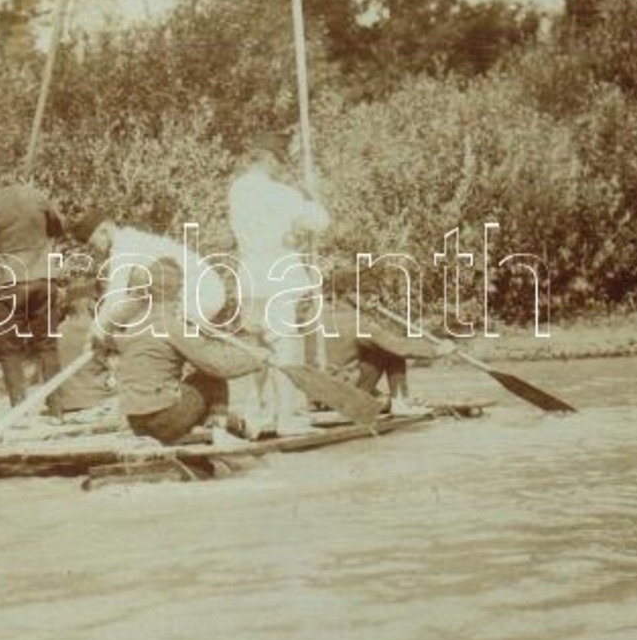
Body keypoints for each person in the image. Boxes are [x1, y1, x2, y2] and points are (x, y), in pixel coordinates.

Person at [226, 128, 330, 431]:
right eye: (279, 161)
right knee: (283, 346)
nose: (282, 167)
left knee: (258, 347)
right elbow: (320, 222)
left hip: (250, 276)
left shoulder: (237, 190)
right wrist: (311, 194)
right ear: (270, 159)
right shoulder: (283, 194)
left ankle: (256, 412)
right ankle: (285, 417)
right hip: (279, 277)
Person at [103, 258, 263, 445]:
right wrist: (257, 359)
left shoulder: (134, 324)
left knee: (193, 378)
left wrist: (136, 301)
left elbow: (105, 335)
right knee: (210, 378)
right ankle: (220, 425)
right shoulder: (172, 325)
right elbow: (219, 365)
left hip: (136, 423)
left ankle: (217, 423)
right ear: (178, 292)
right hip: (163, 421)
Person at [0, 165, 68, 408]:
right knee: (47, 345)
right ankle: (57, 409)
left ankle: (20, 411)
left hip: (8, 282)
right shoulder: (36, 195)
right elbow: (59, 228)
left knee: (9, 349)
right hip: (43, 279)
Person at [71, 212, 228, 331]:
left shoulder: (125, 246)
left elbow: (115, 298)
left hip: (202, 292)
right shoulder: (128, 240)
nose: (95, 249)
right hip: (196, 292)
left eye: (93, 244)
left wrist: (96, 330)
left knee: (159, 341)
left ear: (104, 231)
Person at [322, 266, 443, 414]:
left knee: (377, 349)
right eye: (366, 294)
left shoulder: (321, 314)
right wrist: (437, 350)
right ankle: (400, 403)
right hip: (343, 396)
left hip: (320, 394)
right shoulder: (357, 324)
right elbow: (399, 347)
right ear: (349, 294)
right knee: (389, 351)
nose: (373, 298)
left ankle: (383, 400)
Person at [53, 277, 116, 416]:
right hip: (96, 398)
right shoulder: (98, 330)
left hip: (67, 402)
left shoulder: (58, 331)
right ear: (90, 303)